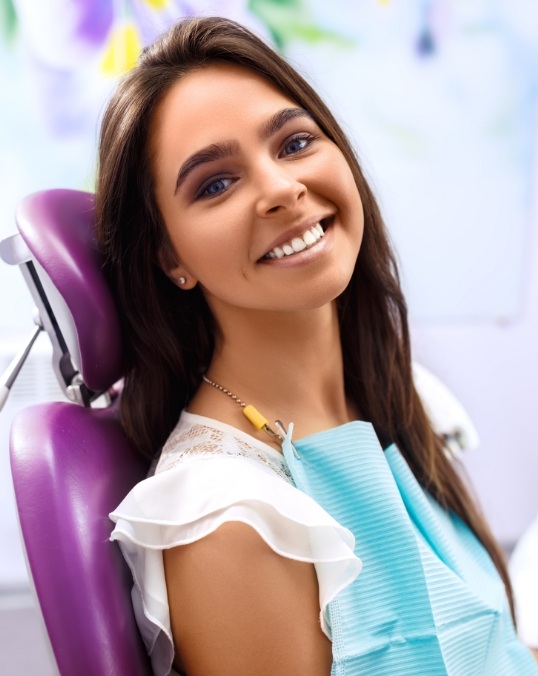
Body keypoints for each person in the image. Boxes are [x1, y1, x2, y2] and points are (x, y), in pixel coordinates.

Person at [99, 16, 537, 676]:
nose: (280, 189)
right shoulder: (228, 521)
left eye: (296, 142)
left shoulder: (393, 393)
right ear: (169, 257)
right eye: (216, 184)